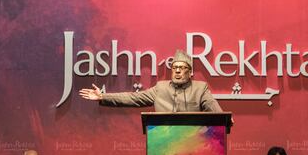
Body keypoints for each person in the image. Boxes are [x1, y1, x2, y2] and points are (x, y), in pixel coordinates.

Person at [79, 49, 222, 112]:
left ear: (190, 72)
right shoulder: (161, 88)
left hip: (193, 145)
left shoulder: (200, 88)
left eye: (182, 68)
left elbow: (212, 105)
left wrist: (225, 120)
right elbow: (133, 98)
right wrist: (103, 96)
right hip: (162, 144)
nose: (177, 71)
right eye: (175, 67)